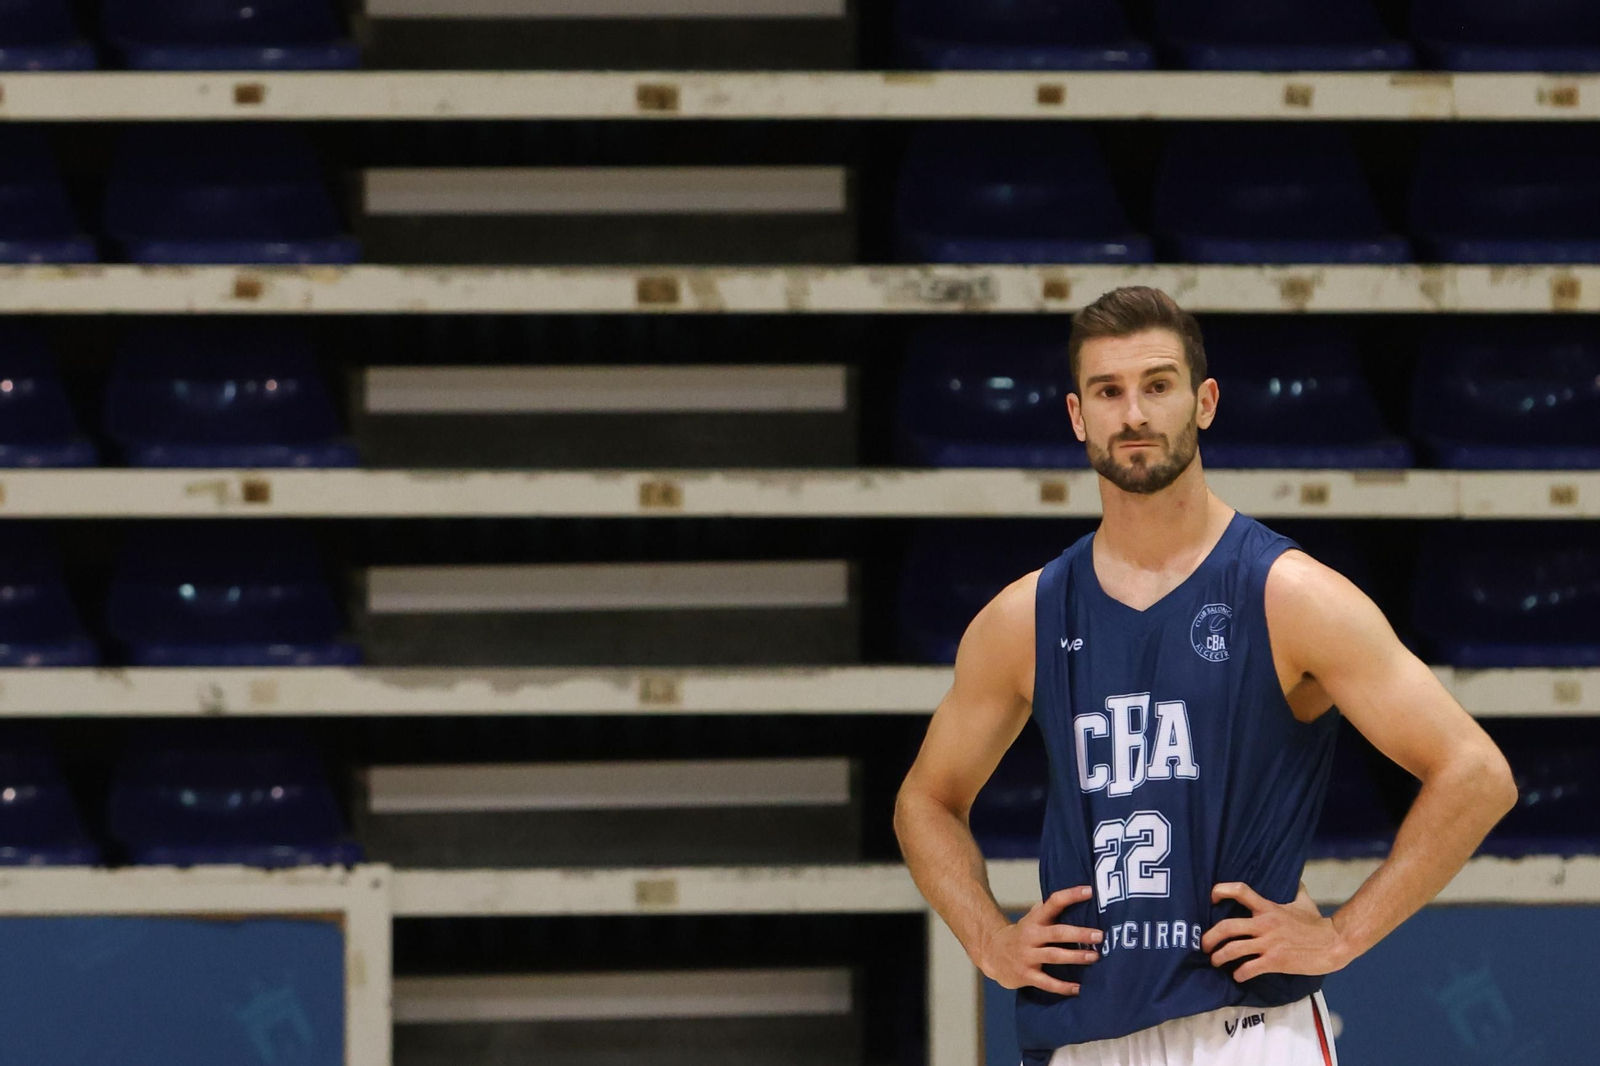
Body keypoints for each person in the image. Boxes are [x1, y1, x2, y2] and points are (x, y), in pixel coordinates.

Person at [893, 286, 1518, 1065]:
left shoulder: (1287, 594)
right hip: (1082, 1029)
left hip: (1247, 1029)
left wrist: (1344, 935)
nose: (1134, 414)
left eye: (1157, 385)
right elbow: (925, 800)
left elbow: (1476, 773)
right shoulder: (1025, 618)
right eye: (1108, 391)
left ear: (1205, 401)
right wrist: (988, 939)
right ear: (1077, 417)